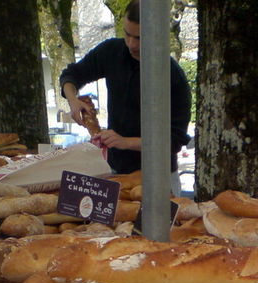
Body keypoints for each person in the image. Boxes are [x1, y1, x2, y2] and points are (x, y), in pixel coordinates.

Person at [59, 0, 192, 176]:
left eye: (139, 38)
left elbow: (174, 141)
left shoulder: (172, 76)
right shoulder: (112, 51)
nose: (131, 44)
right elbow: (71, 75)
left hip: (159, 175)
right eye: (127, 34)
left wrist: (126, 142)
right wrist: (73, 100)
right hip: (113, 168)